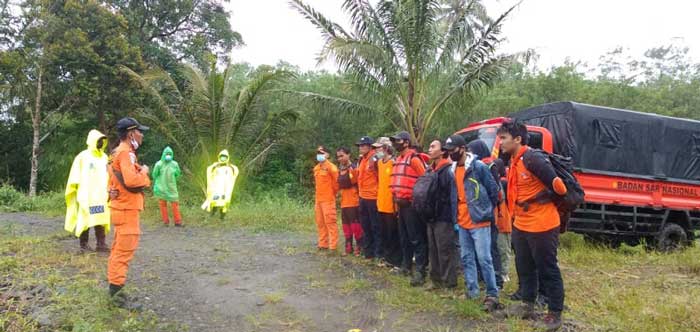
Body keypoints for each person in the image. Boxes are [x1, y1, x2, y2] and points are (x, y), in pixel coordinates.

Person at [498, 120, 567, 330]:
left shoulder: (532, 158)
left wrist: (538, 200)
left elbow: (560, 188)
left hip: (542, 223)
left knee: (547, 268)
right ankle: (527, 305)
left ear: (517, 139)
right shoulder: (514, 160)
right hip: (521, 222)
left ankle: (554, 313)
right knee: (524, 266)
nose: (500, 142)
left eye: (503, 138)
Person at [443, 134, 501, 311]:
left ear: (462, 149)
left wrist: (485, 211)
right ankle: (472, 291)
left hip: (479, 221)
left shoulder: (478, 167)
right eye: (448, 151)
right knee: (467, 258)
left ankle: (492, 294)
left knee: (484, 259)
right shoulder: (452, 170)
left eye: (452, 150)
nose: (450, 154)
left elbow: (494, 191)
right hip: (462, 221)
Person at [107, 117, 151, 309]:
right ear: (131, 133)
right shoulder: (126, 153)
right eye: (140, 131)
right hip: (126, 209)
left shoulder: (115, 152)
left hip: (121, 208)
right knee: (123, 252)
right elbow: (132, 181)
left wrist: (111, 191)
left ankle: (115, 292)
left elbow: (112, 180)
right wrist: (145, 173)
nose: (142, 135)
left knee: (118, 251)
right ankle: (117, 297)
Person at [389, 131, 428, 286]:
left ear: (406, 142)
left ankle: (420, 270)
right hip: (400, 205)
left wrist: (416, 200)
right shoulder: (399, 159)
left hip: (411, 205)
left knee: (416, 238)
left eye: (397, 141)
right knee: (404, 237)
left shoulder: (414, 159)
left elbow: (425, 180)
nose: (395, 144)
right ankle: (406, 266)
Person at [64, 129, 110, 253]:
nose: (100, 143)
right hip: (87, 196)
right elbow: (74, 175)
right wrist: (74, 189)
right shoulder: (82, 156)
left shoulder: (105, 157)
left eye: (102, 141)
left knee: (101, 219)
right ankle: (83, 245)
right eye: (98, 140)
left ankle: (101, 244)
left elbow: (109, 174)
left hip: (101, 196)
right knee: (85, 219)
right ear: (92, 141)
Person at [467, 139, 505, 289]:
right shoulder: (474, 167)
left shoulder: (488, 166)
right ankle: (483, 277)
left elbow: (496, 192)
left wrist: (487, 208)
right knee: (481, 248)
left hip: (488, 214)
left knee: (491, 248)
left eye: (471, 150)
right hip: (477, 214)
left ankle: (497, 279)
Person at [425, 139, 459, 289]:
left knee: (445, 250)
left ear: (443, 151)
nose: (429, 149)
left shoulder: (448, 171)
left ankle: (449, 283)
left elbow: (453, 196)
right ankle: (435, 279)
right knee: (433, 249)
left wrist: (454, 219)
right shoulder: (430, 169)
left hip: (444, 217)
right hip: (430, 216)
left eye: (433, 147)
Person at [373, 137, 402, 269]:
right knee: (384, 232)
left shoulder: (393, 162)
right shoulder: (379, 163)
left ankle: (396, 260)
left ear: (386, 148)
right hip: (381, 203)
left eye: (379, 148)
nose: (377, 151)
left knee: (393, 233)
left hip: (391, 205)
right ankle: (387, 257)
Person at [356, 136, 382, 260]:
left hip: (373, 197)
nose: (361, 147)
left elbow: (380, 176)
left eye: (363, 145)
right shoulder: (362, 159)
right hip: (363, 196)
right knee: (365, 225)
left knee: (375, 226)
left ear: (370, 146)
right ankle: (368, 252)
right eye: (360, 145)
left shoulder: (375, 158)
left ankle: (377, 252)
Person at [336, 147, 362, 256]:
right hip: (344, 201)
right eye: (338, 156)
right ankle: (348, 246)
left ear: (348, 155)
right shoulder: (340, 169)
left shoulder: (354, 167)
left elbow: (357, 182)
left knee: (355, 226)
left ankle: (359, 247)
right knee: (346, 226)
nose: (340, 158)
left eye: (342, 155)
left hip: (354, 201)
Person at [313, 146, 339, 252]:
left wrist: (332, 194)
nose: (319, 155)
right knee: (320, 222)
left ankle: (333, 246)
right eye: (318, 153)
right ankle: (323, 244)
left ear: (327, 155)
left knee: (330, 222)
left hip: (328, 199)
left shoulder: (332, 168)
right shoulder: (316, 168)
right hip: (318, 199)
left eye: (322, 153)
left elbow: (337, 183)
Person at [201, 150, 239, 220]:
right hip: (217, 189)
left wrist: (231, 165)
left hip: (225, 190)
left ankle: (222, 217)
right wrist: (214, 165)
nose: (223, 159)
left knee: (224, 203)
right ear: (219, 157)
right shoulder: (216, 167)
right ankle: (212, 214)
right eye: (222, 157)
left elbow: (235, 172)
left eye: (225, 157)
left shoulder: (230, 168)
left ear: (227, 157)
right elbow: (209, 171)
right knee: (214, 201)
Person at [152, 146, 183, 226]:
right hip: (162, 187)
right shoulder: (159, 164)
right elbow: (154, 174)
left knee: (175, 204)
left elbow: (178, 174)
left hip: (171, 187)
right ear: (163, 154)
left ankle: (178, 221)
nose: (168, 155)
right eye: (167, 154)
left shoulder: (174, 164)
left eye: (170, 154)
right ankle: (166, 222)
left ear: (172, 154)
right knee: (163, 205)